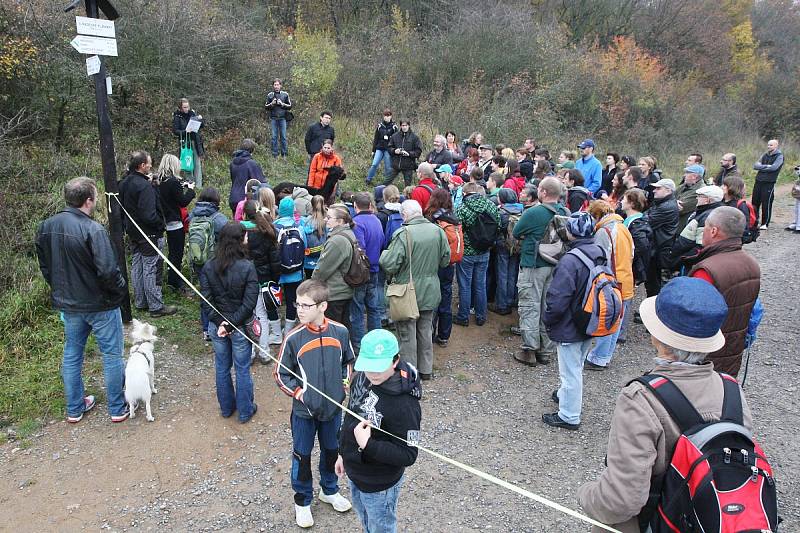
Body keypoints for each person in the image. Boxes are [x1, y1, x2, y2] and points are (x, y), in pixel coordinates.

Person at [577, 277, 752, 532]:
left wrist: (587, 494)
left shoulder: (641, 398)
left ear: (658, 337)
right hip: (717, 518)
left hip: (658, 521)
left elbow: (622, 500)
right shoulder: (732, 390)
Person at [36, 177, 129, 423]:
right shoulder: (93, 229)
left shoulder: (45, 226)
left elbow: (46, 267)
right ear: (89, 200)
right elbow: (109, 271)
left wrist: (59, 291)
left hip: (69, 303)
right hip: (100, 304)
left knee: (72, 353)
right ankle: (117, 408)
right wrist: (119, 293)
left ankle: (74, 408)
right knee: (111, 354)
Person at [274, 279, 355, 528]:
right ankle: (302, 501)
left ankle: (329, 490)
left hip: (332, 411)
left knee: (332, 450)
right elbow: (280, 374)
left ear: (323, 306)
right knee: (302, 455)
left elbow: (348, 362)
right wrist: (300, 394)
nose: (299, 310)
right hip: (304, 412)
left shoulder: (340, 332)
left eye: (306, 305)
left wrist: (343, 386)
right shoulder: (293, 338)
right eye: (297, 304)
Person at [336, 329, 422, 533]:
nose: (373, 373)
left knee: (380, 527)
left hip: (380, 484)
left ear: (395, 361)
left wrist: (368, 445)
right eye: (368, 366)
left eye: (379, 367)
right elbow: (350, 416)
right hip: (355, 472)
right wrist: (342, 453)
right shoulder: (361, 378)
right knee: (366, 520)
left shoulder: (406, 405)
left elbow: (409, 454)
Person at [541, 213, 604, 430]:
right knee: (576, 364)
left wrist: (548, 319)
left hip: (571, 323)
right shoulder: (599, 251)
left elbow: (558, 298)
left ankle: (569, 415)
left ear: (571, 231)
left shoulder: (570, 260)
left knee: (570, 371)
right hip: (590, 318)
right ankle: (564, 396)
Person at [380, 200, 450, 380]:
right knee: (425, 330)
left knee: (406, 334)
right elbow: (445, 260)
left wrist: (384, 253)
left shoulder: (404, 234)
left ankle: (409, 372)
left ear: (404, 215)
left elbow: (389, 264)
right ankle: (426, 370)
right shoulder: (438, 231)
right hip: (431, 289)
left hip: (407, 292)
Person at [687, 206, 761, 376]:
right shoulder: (752, 264)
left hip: (705, 355)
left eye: (704, 226)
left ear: (713, 231)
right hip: (733, 350)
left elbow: (693, 317)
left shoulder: (707, 270)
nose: (702, 231)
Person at [200, 222, 259, 423]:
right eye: (245, 236)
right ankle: (244, 411)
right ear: (238, 240)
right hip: (239, 326)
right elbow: (250, 303)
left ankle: (227, 408)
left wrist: (223, 323)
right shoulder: (247, 267)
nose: (248, 239)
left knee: (222, 366)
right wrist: (230, 323)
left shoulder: (209, 266)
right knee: (241, 368)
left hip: (220, 326)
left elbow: (206, 301)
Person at [512, 177, 567, 365]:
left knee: (530, 306)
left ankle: (530, 350)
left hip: (533, 263)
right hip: (556, 264)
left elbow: (516, 232)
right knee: (548, 307)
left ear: (543, 192)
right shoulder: (565, 211)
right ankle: (546, 351)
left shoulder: (534, 212)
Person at [119, 151, 176, 317]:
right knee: (152, 268)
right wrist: (160, 225)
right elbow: (148, 214)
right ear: (142, 165)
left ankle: (141, 301)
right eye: (149, 163)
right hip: (149, 233)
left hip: (133, 232)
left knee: (137, 266)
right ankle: (155, 306)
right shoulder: (144, 186)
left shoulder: (124, 183)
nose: (151, 166)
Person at [584, 201, 634, 371]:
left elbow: (599, 258)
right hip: (625, 280)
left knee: (606, 318)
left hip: (612, 282)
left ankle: (598, 357)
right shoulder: (623, 227)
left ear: (596, 215)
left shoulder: (604, 231)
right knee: (616, 320)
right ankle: (605, 356)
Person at [454, 183, 501, 327]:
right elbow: (498, 225)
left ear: (465, 193)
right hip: (485, 251)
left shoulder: (461, 208)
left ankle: (463, 316)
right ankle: (481, 316)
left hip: (467, 252)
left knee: (465, 285)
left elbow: (457, 231)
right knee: (480, 284)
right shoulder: (491, 206)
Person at [188, 187, 229, 340]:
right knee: (219, 294)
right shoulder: (218, 218)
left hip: (199, 261)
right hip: (216, 261)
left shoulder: (193, 215)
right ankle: (219, 326)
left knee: (205, 294)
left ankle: (206, 329)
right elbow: (228, 236)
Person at [244, 201, 281, 363]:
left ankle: (250, 352)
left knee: (248, 317)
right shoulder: (268, 230)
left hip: (245, 281)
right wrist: (274, 280)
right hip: (263, 280)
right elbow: (275, 260)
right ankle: (264, 352)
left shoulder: (241, 231)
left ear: (244, 214)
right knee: (262, 317)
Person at [424, 189, 460, 347]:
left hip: (434, 263)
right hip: (449, 263)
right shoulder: (453, 217)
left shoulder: (432, 218)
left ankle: (429, 333)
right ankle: (444, 335)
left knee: (431, 299)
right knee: (446, 296)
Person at [312, 204, 356, 329]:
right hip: (343, 290)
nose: (325, 219)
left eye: (329, 217)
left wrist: (311, 285)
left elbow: (322, 270)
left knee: (333, 330)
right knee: (342, 328)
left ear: (340, 221)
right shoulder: (348, 233)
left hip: (335, 293)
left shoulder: (337, 241)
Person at [616, 188, 652, 343]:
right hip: (628, 267)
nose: (621, 202)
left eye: (624, 199)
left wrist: (630, 257)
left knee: (625, 298)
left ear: (631, 203)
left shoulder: (636, 223)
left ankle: (620, 333)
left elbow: (642, 245)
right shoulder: (631, 220)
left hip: (629, 268)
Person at [156, 153, 195, 293]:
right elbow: (182, 201)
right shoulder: (173, 182)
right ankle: (175, 282)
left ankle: (172, 280)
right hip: (175, 221)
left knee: (172, 252)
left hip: (164, 220)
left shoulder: (159, 181)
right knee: (176, 253)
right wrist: (190, 190)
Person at [351, 193, 384, 352]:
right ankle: (376, 340)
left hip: (362, 272)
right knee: (373, 307)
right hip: (375, 269)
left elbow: (360, 249)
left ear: (355, 206)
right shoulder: (376, 220)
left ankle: (358, 344)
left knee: (357, 309)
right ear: (370, 205)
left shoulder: (357, 222)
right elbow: (383, 241)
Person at [668, 185, 724, 271]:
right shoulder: (703, 212)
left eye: (699, 196)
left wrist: (681, 260)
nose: (697, 198)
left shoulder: (707, 216)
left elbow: (701, 247)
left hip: (689, 263)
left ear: (707, 200)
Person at [275, 197, 305, 339]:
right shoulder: (299, 227)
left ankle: (274, 330)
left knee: (274, 299)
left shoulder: (274, 226)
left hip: (278, 272)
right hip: (296, 272)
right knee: (292, 299)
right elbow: (304, 248)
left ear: (280, 209)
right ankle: (289, 329)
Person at [644, 179, 679, 297]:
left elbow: (645, 220)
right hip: (658, 247)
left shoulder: (666, 206)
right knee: (652, 282)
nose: (654, 191)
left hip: (660, 249)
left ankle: (654, 310)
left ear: (668, 190)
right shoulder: (661, 203)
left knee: (655, 284)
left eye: (658, 188)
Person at [493, 188, 523, 315]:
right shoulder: (521, 211)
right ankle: (511, 300)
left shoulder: (501, 212)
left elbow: (497, 229)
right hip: (516, 246)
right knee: (512, 273)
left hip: (503, 246)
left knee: (502, 274)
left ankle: (501, 304)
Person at [229, 138, 267, 215]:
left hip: (233, 198)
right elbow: (260, 183)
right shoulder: (251, 164)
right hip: (246, 200)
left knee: (237, 224)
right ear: (252, 150)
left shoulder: (232, 163)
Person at [752, 139, 784, 230]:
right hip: (758, 181)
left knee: (766, 203)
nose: (768, 146)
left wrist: (761, 167)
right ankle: (754, 221)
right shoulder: (765, 155)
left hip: (769, 183)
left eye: (771, 145)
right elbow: (755, 166)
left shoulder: (779, 156)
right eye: (768, 145)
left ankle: (764, 223)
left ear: (776, 146)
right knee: (755, 202)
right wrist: (766, 166)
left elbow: (774, 168)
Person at [172, 97, 204, 187]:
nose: (187, 109)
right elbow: (175, 131)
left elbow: (201, 126)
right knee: (187, 163)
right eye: (185, 107)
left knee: (197, 163)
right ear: (180, 108)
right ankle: (190, 184)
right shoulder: (177, 116)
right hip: (185, 143)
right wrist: (185, 131)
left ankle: (198, 185)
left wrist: (200, 120)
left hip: (195, 141)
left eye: (187, 107)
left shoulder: (192, 114)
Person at [384, 120, 423, 187]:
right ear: (400, 126)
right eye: (402, 125)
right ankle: (378, 193)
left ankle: (407, 197)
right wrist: (394, 150)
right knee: (386, 181)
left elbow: (418, 151)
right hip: (396, 164)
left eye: (406, 125)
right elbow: (389, 148)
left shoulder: (415, 137)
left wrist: (409, 153)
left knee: (408, 186)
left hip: (408, 165)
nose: (404, 127)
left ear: (409, 126)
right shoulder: (395, 136)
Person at [366, 109, 397, 184]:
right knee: (374, 164)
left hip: (388, 149)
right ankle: (368, 180)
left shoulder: (394, 127)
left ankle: (387, 182)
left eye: (388, 115)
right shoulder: (380, 126)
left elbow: (396, 140)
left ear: (391, 116)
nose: (386, 117)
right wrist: (373, 150)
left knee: (388, 167)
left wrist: (394, 151)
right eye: (385, 116)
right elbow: (376, 139)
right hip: (379, 148)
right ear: (383, 117)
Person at [264, 78, 293, 158]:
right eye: (275, 85)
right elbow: (266, 107)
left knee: (283, 137)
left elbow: (290, 106)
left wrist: (282, 104)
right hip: (273, 118)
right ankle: (275, 155)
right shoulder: (270, 95)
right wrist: (272, 104)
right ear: (273, 86)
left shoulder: (285, 94)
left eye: (278, 85)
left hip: (283, 118)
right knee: (274, 137)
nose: (276, 86)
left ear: (280, 85)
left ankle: (284, 154)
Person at [301, 195, 327, 280]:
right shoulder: (327, 221)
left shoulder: (304, 221)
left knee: (309, 281)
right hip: (322, 259)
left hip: (308, 260)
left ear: (311, 205)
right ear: (323, 205)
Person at [676, 164, 706, 232]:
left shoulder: (700, 191)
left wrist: (672, 202)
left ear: (694, 176)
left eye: (687, 173)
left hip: (683, 228)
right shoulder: (684, 186)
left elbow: (680, 208)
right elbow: (669, 196)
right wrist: (674, 202)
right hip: (676, 225)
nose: (684, 175)